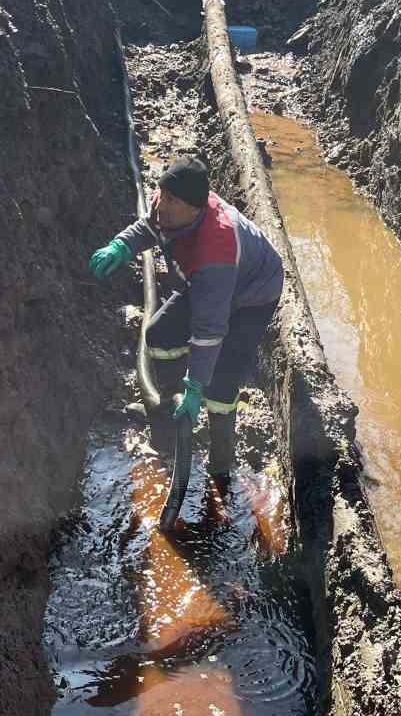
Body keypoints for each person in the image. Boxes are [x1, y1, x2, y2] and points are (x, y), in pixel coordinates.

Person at [89, 157, 285, 488]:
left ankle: (221, 466)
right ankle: (168, 421)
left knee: (220, 384)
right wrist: (121, 245)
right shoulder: (167, 204)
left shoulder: (215, 250)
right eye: (162, 196)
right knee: (159, 334)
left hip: (253, 296)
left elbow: (209, 332)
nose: (162, 205)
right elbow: (151, 226)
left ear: (195, 209)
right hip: (207, 283)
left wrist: (195, 386)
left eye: (172, 201)